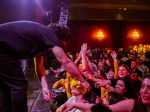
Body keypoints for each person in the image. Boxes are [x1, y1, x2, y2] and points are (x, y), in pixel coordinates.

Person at [0, 21, 89, 112]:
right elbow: (65, 61)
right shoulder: (49, 34)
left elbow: (39, 66)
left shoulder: (41, 40)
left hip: (4, 51)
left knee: (6, 86)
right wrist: (83, 81)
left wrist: (45, 87)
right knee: (19, 85)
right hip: (2, 50)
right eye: (63, 44)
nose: (63, 47)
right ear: (61, 38)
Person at [59, 75, 150, 112]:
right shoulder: (132, 104)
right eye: (143, 86)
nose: (144, 91)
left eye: (149, 88)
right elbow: (100, 109)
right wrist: (74, 105)